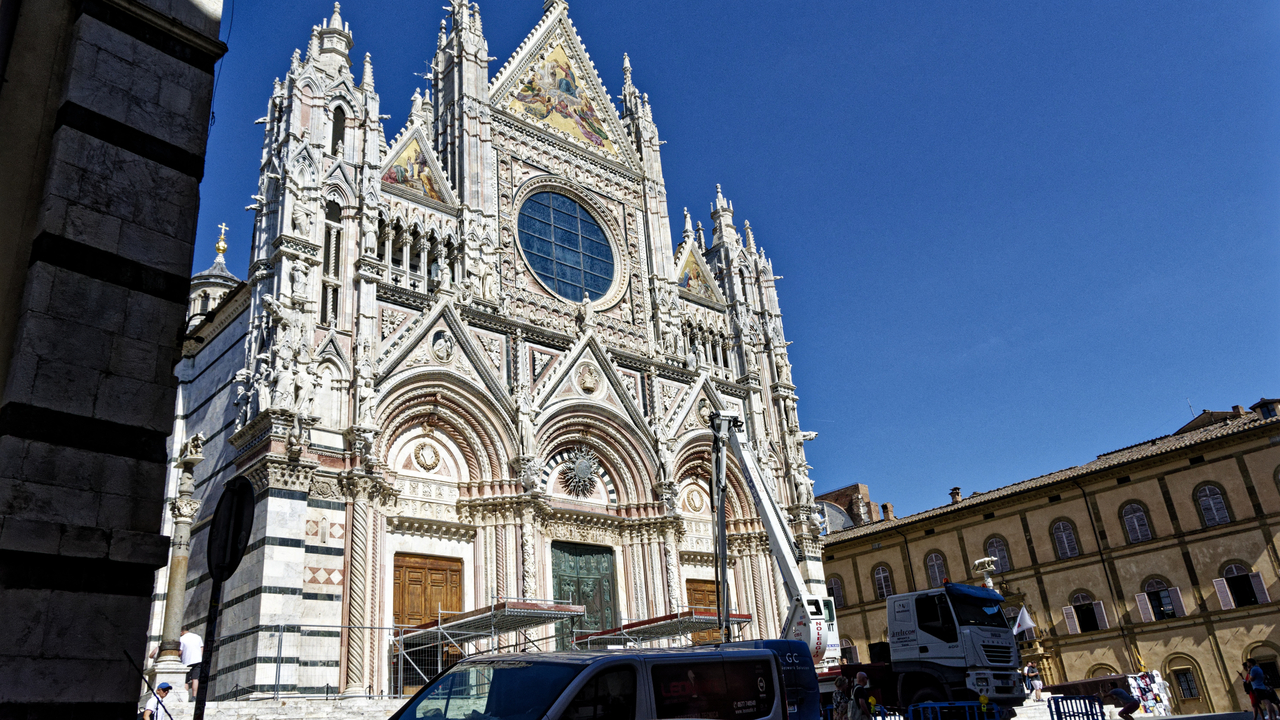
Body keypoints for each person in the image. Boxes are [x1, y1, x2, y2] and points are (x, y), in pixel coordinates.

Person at [180, 628, 204, 701]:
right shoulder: (197, 637)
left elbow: (180, 651)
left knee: (185, 680)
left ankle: (185, 697)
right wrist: (200, 657)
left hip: (187, 661)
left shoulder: (181, 639)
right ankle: (194, 696)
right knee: (195, 679)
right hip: (198, 660)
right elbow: (201, 648)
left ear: (182, 632)